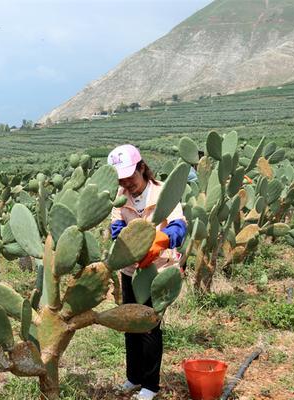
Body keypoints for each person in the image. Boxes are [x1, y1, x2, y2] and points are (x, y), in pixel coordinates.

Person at [107, 144, 187, 400]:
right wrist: (134, 246)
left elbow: (179, 227)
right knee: (131, 324)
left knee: (150, 328)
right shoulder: (119, 199)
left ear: (142, 168)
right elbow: (117, 230)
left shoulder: (164, 193)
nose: (126, 183)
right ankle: (133, 377)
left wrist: (160, 240)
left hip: (159, 271)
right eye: (121, 179)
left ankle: (150, 385)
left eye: (130, 176)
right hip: (131, 271)